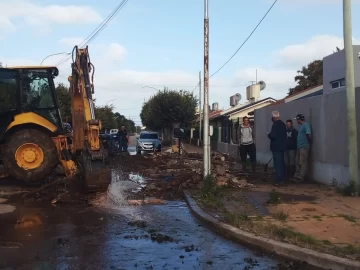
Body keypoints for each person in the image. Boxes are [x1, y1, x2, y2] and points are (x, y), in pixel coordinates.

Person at [267, 111, 287, 185]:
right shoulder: (283, 124)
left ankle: (279, 180)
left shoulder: (275, 125)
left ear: (273, 117)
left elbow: (273, 136)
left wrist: (269, 135)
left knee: (277, 164)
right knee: (281, 163)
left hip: (276, 147)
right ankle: (282, 178)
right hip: (282, 147)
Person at [293, 114, 312, 181]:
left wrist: (308, 142)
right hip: (299, 146)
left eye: (297, 119)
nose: (296, 121)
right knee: (297, 161)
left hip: (303, 147)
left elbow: (309, 134)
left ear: (299, 119)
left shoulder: (306, 125)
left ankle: (301, 176)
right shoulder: (301, 126)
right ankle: (297, 174)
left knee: (303, 161)